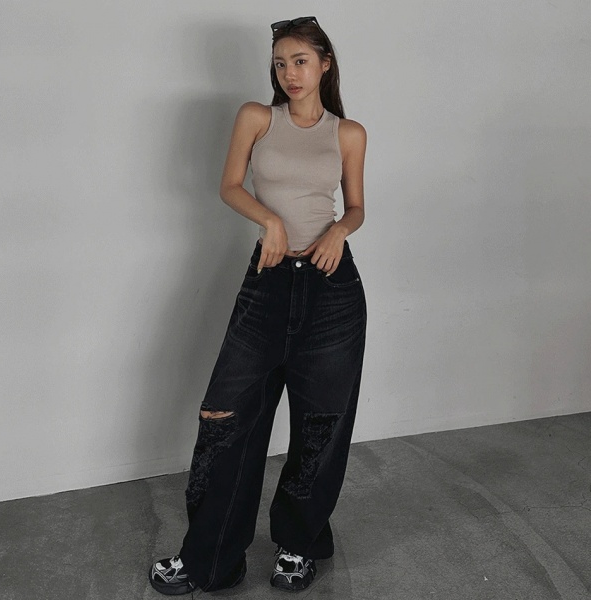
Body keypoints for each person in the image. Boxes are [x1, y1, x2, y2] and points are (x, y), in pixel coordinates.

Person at [149, 15, 367, 595]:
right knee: (227, 419)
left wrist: (339, 231)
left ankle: (299, 545)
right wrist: (269, 220)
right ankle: (210, 558)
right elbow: (229, 185)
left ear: (324, 64)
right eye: (280, 63)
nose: (289, 73)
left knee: (320, 424)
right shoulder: (257, 118)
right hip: (267, 283)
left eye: (300, 61)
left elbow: (355, 207)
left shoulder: (348, 133)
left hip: (332, 289)